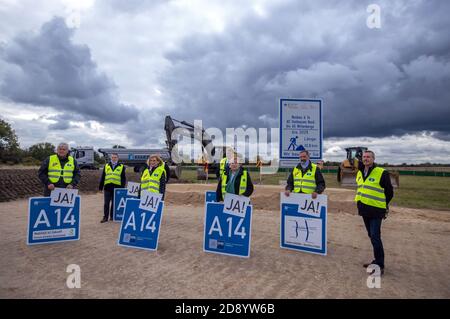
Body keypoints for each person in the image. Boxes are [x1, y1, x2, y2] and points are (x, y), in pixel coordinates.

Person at [356, 150, 393, 276]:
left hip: (376, 210)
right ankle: (376, 260)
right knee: (371, 236)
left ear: (373, 158)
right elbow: (361, 189)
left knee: (375, 237)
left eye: (368, 157)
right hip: (364, 209)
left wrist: (383, 205)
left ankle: (380, 265)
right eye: (364, 157)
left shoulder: (382, 172)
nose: (366, 159)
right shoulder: (360, 172)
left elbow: (389, 192)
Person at [98, 153, 126, 223]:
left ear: (118, 158)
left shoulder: (122, 167)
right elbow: (103, 177)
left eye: (115, 157)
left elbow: (123, 178)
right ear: (111, 158)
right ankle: (105, 217)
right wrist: (100, 187)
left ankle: (112, 216)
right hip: (107, 188)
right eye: (113, 157)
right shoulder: (106, 166)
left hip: (117, 188)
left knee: (114, 203)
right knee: (106, 203)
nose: (114, 158)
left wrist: (122, 188)